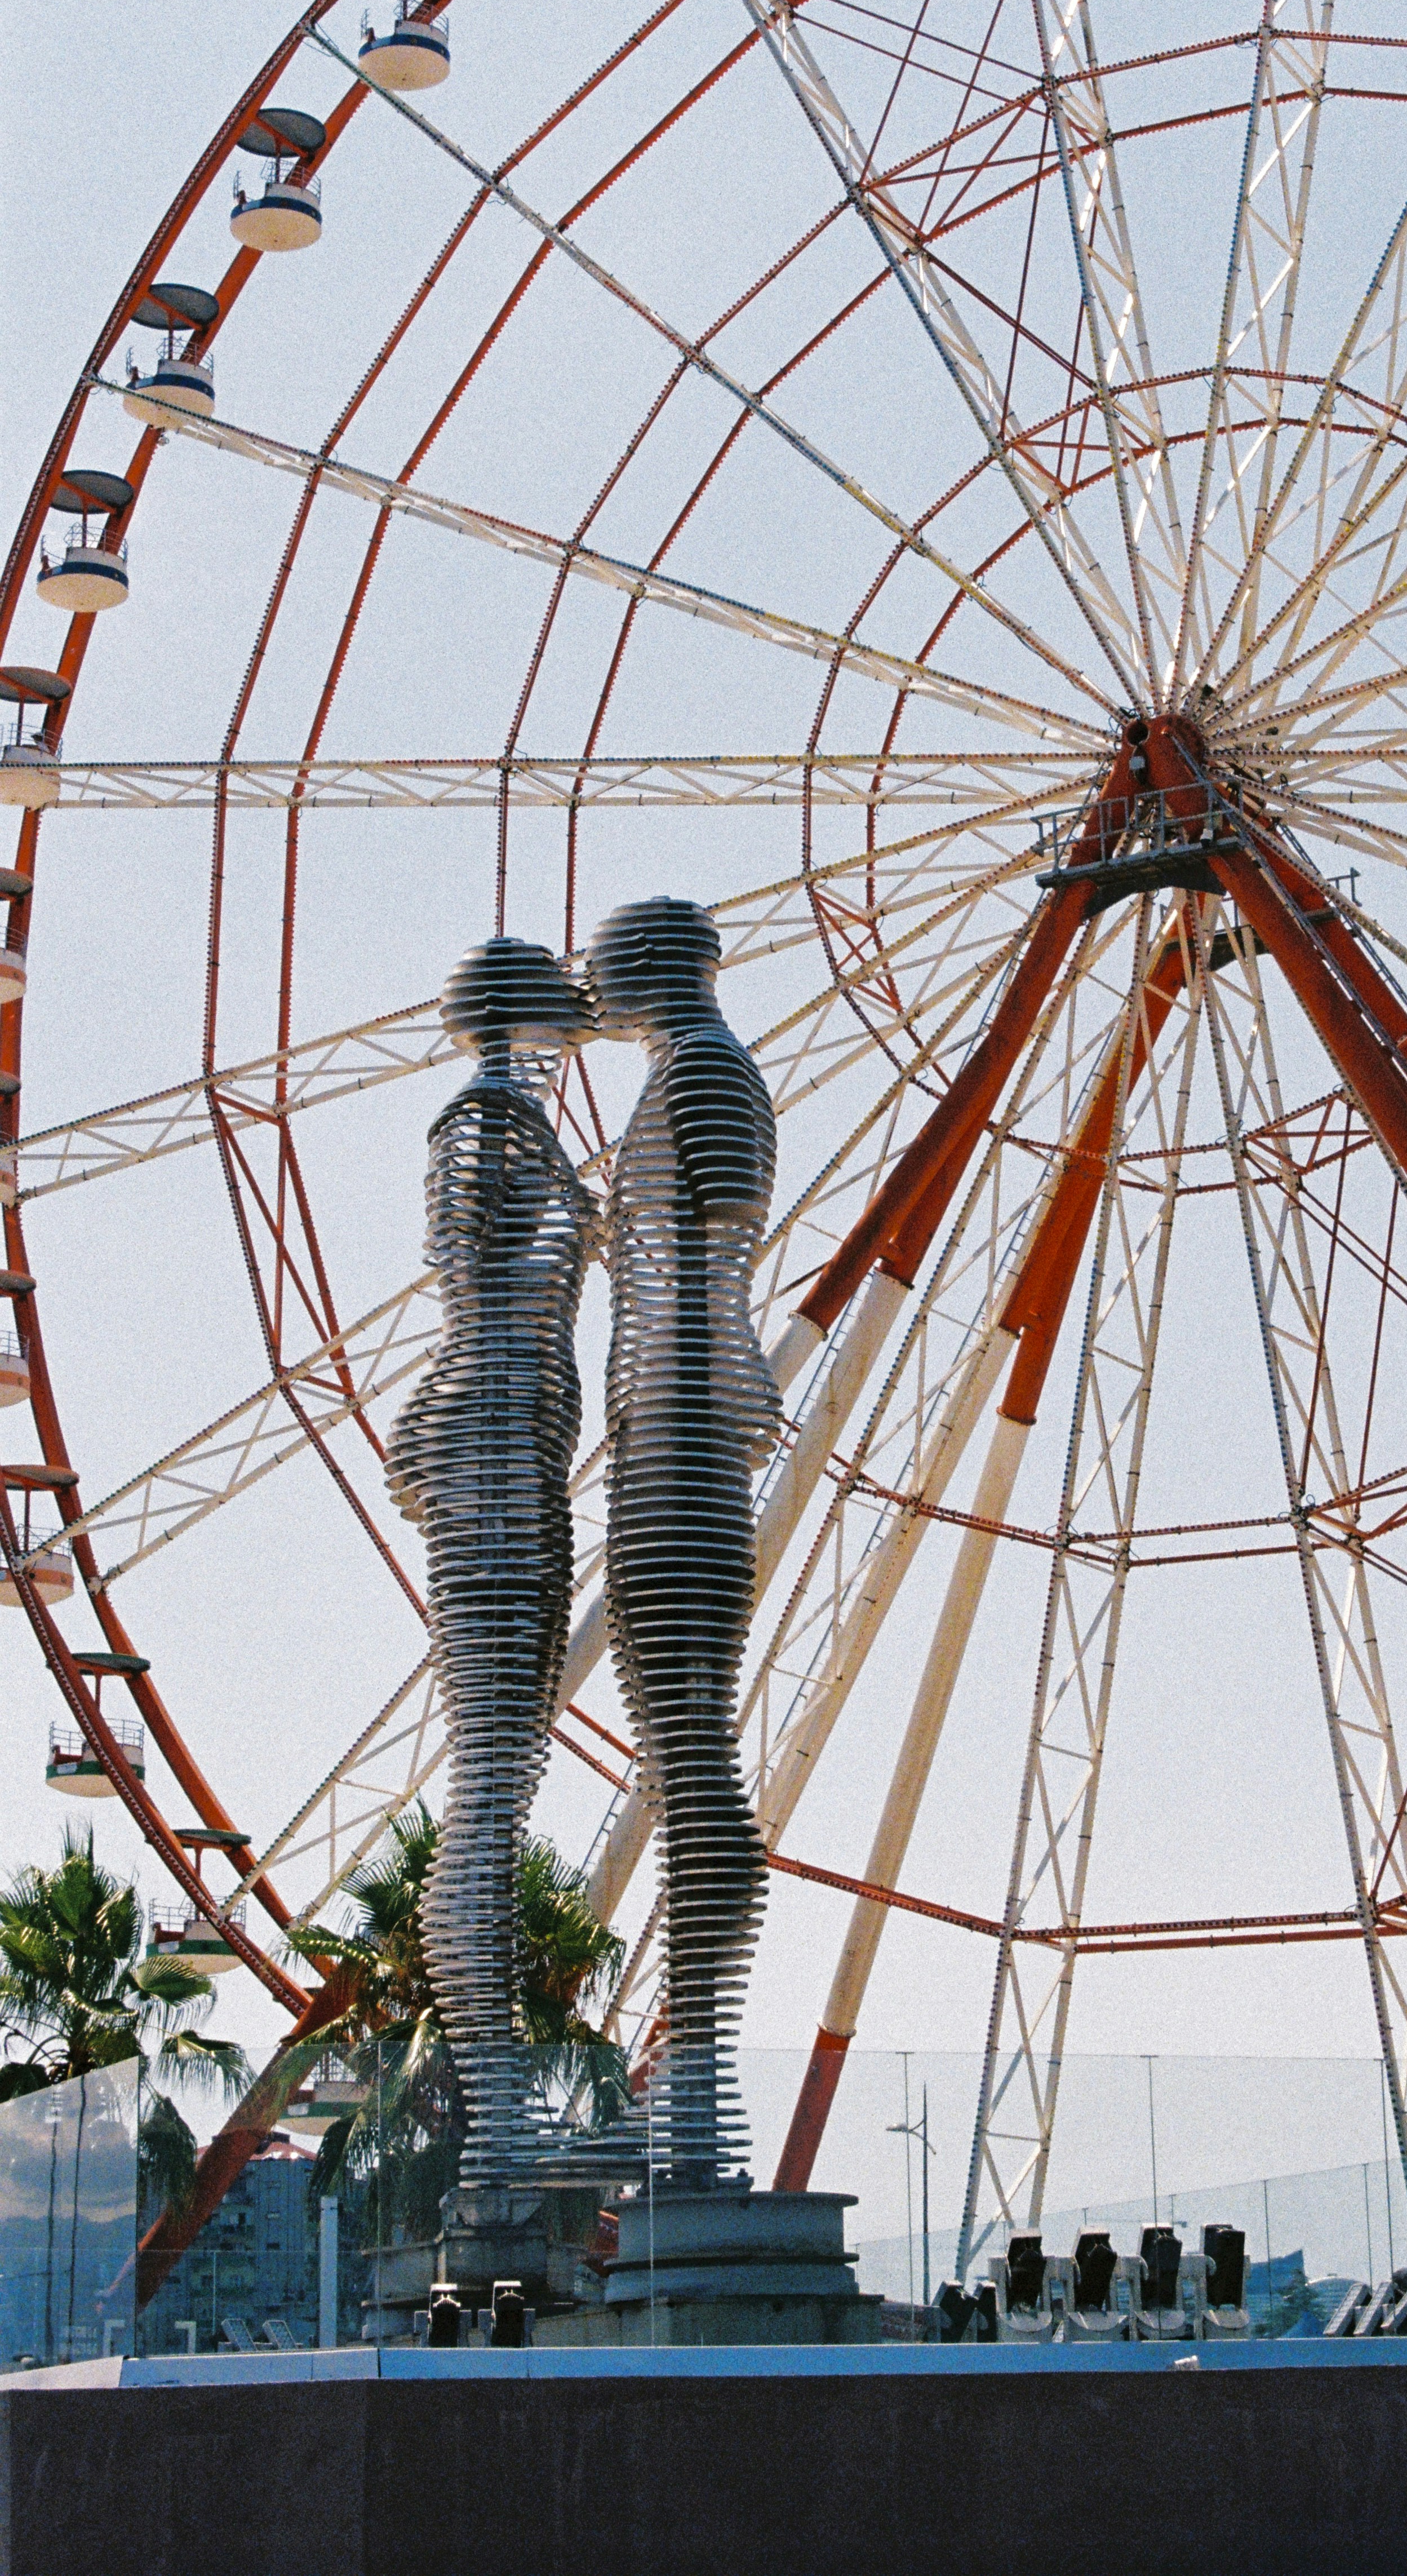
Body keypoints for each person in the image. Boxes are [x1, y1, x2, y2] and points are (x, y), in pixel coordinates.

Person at [387, 937, 600, 2188]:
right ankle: (500, 2127)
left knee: (502, 1773)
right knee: (488, 1787)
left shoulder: (509, 1121)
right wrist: (584, 1221)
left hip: (512, 1441)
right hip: (492, 1445)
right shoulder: (483, 1117)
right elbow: (469, 1273)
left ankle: (504, 2119)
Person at [587, 897, 780, 2188]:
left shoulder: (706, 1074)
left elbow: (714, 1262)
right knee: (681, 1756)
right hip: (667, 1437)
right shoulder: (683, 1081)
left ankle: (698, 2086)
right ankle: (689, 2092)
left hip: (684, 1445)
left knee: (695, 1762)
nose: (590, 981)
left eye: (606, 961)